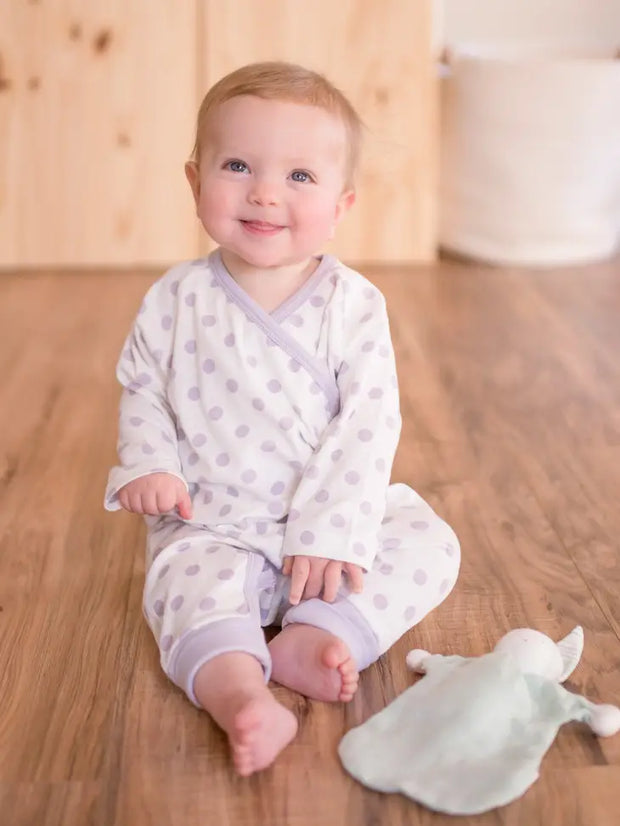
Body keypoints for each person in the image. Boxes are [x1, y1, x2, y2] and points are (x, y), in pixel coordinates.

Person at [104, 61, 460, 777]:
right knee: (181, 582)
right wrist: (150, 464)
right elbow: (142, 384)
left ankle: (319, 634)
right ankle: (236, 691)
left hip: (325, 536)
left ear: (342, 202)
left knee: (429, 539)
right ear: (193, 179)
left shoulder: (353, 306)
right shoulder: (176, 300)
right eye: (237, 165)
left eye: (300, 177)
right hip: (212, 522)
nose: (265, 192)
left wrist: (333, 532)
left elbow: (367, 422)